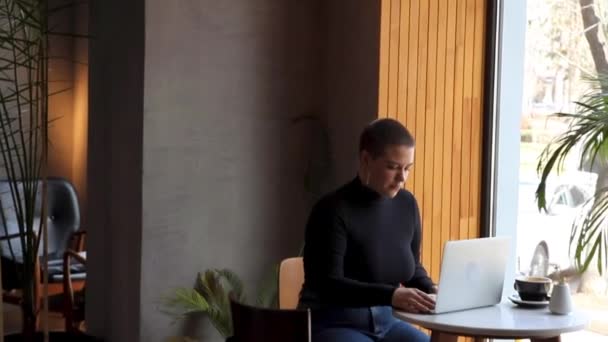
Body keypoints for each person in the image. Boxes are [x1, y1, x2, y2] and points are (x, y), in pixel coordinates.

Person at [298, 118, 436, 342]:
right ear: (366, 159)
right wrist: (391, 295)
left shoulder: (407, 204)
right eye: (393, 167)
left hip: (388, 322)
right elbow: (328, 284)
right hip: (332, 323)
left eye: (407, 168)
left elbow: (412, 265)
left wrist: (432, 290)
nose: (402, 178)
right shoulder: (332, 210)